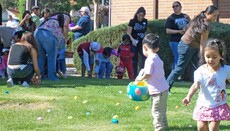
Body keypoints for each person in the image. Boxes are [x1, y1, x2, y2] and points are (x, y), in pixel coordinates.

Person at [166, 5, 219, 92]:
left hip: (191, 46)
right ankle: (165, 88)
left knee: (201, 68)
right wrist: (203, 58)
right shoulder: (205, 25)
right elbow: (202, 44)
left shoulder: (200, 20)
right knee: (180, 68)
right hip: (186, 47)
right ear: (208, 14)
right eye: (214, 15)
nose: (215, 18)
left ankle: (206, 88)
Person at [182, 39, 230, 131]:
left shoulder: (226, 70)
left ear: (221, 56)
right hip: (203, 104)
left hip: (218, 104)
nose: (211, 59)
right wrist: (188, 97)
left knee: (213, 128)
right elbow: (195, 85)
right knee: (201, 127)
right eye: (208, 57)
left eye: (214, 57)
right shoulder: (201, 71)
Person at [136, 34, 169, 130]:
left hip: (157, 91)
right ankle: (165, 126)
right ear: (157, 48)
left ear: (144, 47)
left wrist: (140, 79)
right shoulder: (158, 58)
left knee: (156, 111)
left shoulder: (149, 59)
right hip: (164, 89)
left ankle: (158, 128)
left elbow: (148, 73)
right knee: (162, 110)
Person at [34, 13, 71, 81]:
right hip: (49, 35)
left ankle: (39, 76)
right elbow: (65, 25)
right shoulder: (66, 16)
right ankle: (52, 77)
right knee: (52, 58)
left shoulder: (52, 18)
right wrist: (65, 38)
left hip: (37, 33)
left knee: (41, 58)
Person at [165, 1, 190, 70]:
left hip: (184, 41)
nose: (175, 7)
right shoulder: (171, 18)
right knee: (178, 57)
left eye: (177, 6)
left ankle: (175, 73)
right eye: (173, 6)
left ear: (180, 7)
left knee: (183, 57)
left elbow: (190, 26)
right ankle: (177, 75)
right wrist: (179, 31)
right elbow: (167, 30)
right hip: (174, 41)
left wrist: (189, 19)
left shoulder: (185, 16)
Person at [127, 7, 148, 77]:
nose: (141, 17)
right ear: (137, 14)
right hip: (134, 42)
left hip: (142, 43)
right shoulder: (132, 21)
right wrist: (132, 40)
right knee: (134, 59)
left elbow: (145, 32)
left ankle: (143, 74)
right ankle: (134, 75)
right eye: (140, 15)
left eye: (142, 15)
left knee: (144, 57)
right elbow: (128, 33)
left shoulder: (145, 21)